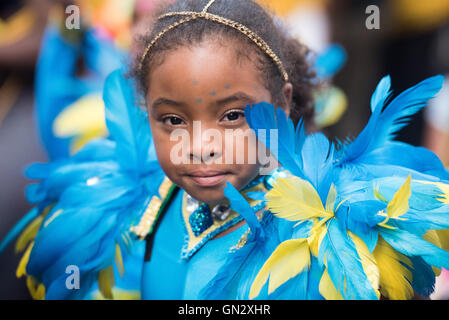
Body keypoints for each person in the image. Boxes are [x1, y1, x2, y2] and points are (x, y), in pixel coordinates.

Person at [1, 0, 449, 300]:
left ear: (283, 102)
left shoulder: (336, 241)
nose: (201, 147)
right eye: (173, 120)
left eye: (233, 116)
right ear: (144, 114)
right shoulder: (124, 218)